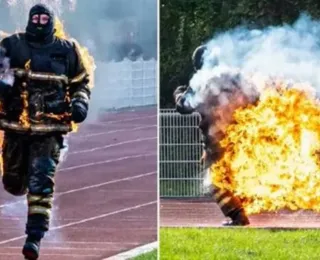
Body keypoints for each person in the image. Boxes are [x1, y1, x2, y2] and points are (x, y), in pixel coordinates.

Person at [0, 4, 91, 259]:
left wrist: (80, 103)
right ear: (29, 19)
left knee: (41, 179)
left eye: (44, 18)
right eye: (35, 17)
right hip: (16, 128)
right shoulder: (11, 45)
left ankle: (34, 238)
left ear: (51, 20)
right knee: (14, 184)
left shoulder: (67, 50)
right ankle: (22, 182)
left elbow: (81, 83)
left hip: (50, 130)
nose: (39, 22)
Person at [173, 44, 250, 226]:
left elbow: (184, 106)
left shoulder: (203, 81)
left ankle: (238, 216)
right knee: (233, 176)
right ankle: (243, 207)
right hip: (241, 135)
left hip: (218, 139)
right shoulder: (233, 76)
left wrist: (178, 94)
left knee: (215, 181)